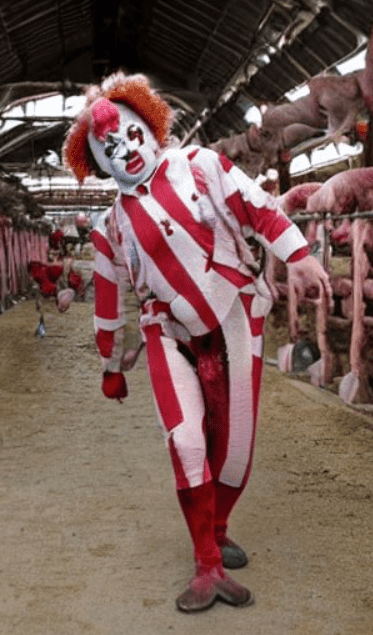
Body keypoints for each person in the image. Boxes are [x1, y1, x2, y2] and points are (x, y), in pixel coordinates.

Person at [62, 72, 331, 613]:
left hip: (235, 314)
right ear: (100, 163)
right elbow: (110, 299)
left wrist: (298, 255)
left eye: (131, 135)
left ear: (149, 126)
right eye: (110, 149)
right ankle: (206, 560)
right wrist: (111, 362)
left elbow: (256, 205)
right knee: (187, 442)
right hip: (168, 333)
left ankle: (219, 526)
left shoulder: (201, 165)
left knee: (235, 449)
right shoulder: (109, 226)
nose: (126, 150)